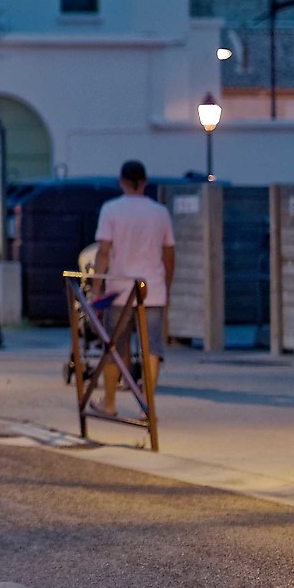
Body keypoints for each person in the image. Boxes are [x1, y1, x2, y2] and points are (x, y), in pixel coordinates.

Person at [90, 160, 175, 413]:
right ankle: (146, 406)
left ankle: (109, 402)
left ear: (121, 182)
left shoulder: (111, 210)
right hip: (153, 289)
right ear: (145, 182)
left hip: (119, 288)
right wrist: (167, 287)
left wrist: (96, 289)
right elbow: (169, 254)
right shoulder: (160, 213)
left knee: (113, 347)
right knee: (152, 348)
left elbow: (103, 252)